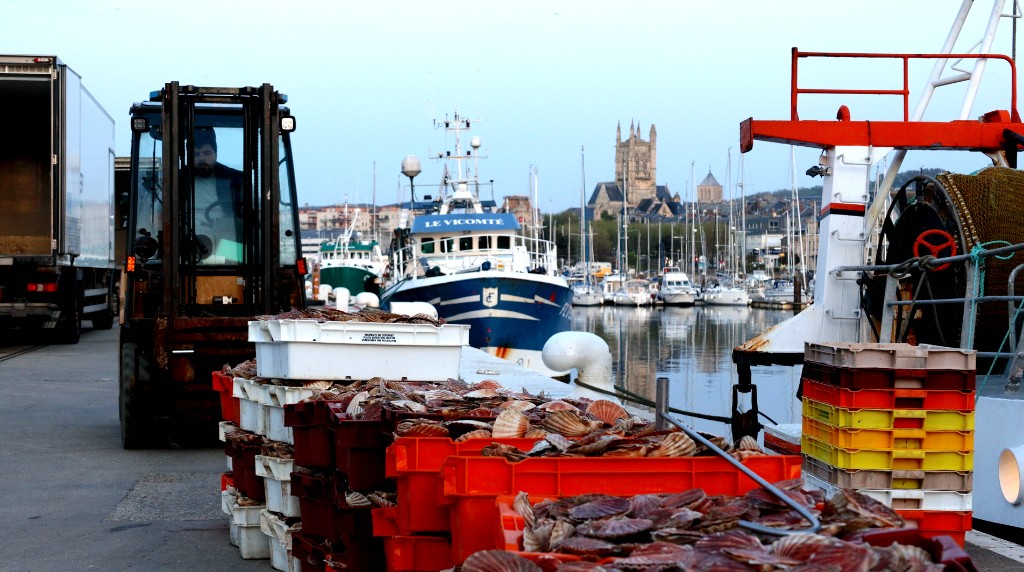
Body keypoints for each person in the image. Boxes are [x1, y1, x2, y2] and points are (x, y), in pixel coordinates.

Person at [192, 128, 244, 262]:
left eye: (207, 153)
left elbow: (257, 211)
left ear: (216, 154)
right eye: (196, 154)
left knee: (244, 257)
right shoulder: (177, 180)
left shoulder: (236, 180)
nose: (202, 158)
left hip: (225, 241)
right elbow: (159, 214)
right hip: (187, 243)